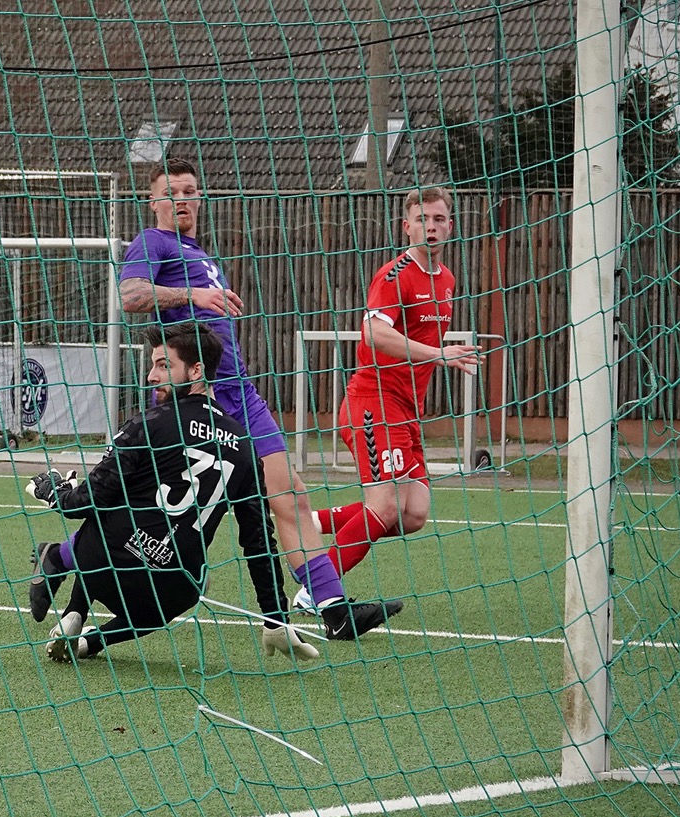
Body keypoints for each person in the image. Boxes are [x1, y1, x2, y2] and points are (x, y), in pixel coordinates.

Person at [33, 157, 401, 643]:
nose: (182, 199)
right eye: (172, 191)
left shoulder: (200, 252)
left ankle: (331, 606)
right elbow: (131, 294)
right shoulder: (153, 242)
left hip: (238, 393)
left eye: (190, 190)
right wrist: (196, 296)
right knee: (152, 511)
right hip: (190, 398)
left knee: (288, 491)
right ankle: (72, 578)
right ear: (154, 201)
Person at [25, 322, 318, 663]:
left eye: (164, 365)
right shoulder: (245, 446)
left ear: (197, 370)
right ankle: (92, 640)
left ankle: (71, 595)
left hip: (104, 567)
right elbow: (257, 542)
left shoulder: (148, 422)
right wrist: (274, 617)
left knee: (114, 504)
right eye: (153, 365)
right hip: (168, 590)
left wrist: (54, 491)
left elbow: (85, 502)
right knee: (198, 583)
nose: (151, 376)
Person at [295, 186, 484, 612]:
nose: (430, 227)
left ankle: (310, 522)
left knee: (414, 513)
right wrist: (440, 354)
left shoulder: (447, 279)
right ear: (406, 226)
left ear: (450, 226)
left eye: (437, 220)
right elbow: (372, 332)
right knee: (386, 504)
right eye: (422, 220)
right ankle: (316, 589)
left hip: (404, 410)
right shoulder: (394, 275)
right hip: (372, 403)